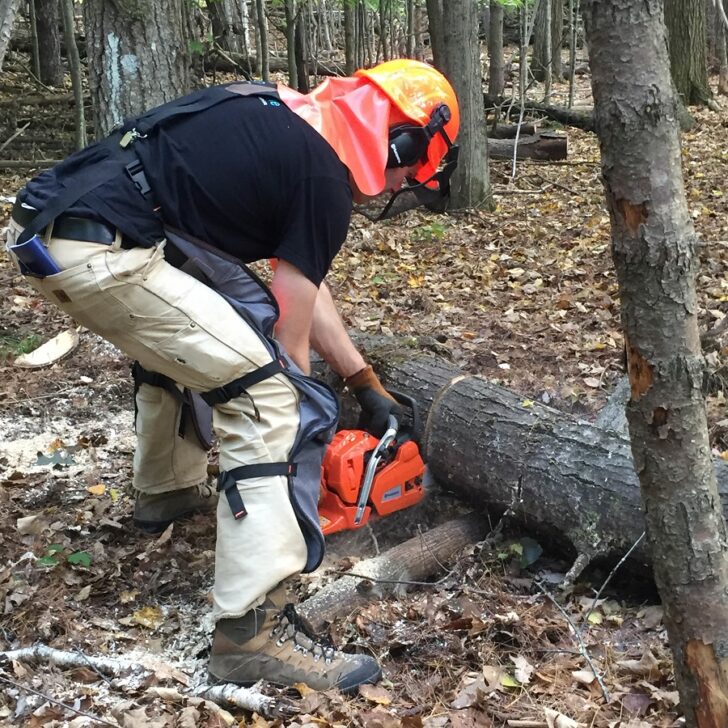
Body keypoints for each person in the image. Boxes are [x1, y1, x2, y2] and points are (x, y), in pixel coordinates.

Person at [5, 59, 460, 693]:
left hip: (61, 227)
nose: (396, 185)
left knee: (201, 340)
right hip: (108, 251)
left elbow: (302, 282)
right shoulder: (322, 173)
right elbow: (289, 339)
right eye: (408, 169)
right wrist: (306, 428)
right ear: (401, 138)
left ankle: (166, 492)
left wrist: (365, 384)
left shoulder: (285, 119)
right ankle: (251, 634)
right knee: (270, 394)